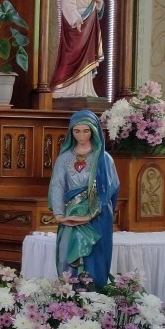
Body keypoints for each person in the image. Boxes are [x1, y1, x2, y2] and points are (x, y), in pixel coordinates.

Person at [49, 110, 120, 287]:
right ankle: (70, 294)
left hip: (96, 218)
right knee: (67, 255)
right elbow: (57, 185)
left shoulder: (104, 159)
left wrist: (91, 213)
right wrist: (59, 214)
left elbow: (110, 189)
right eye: (77, 131)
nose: (81, 136)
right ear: (71, 132)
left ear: (94, 131)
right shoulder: (64, 158)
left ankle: (94, 295)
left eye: (86, 131)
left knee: (94, 256)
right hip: (70, 215)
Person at [52, 0, 105, 98]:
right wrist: (76, 19)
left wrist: (99, 1)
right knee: (71, 57)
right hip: (77, 31)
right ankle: (64, 88)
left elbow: (96, 9)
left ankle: (84, 90)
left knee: (87, 59)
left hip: (89, 32)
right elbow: (68, 6)